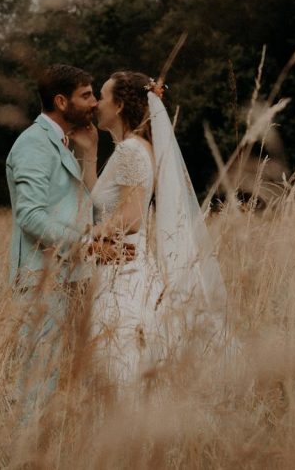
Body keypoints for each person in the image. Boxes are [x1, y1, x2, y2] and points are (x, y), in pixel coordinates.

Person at [87, 71, 228, 384]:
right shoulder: (136, 148)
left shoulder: (130, 151)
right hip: (124, 265)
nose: (96, 103)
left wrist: (84, 236)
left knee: (117, 365)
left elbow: (132, 217)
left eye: (103, 97)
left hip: (119, 273)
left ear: (120, 105)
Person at [5, 63, 98, 410]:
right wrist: (85, 243)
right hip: (41, 279)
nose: (94, 102)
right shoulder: (32, 144)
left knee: (63, 378)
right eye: (86, 95)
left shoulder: (60, 143)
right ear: (61, 101)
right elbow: (29, 215)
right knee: (39, 379)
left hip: (67, 275)